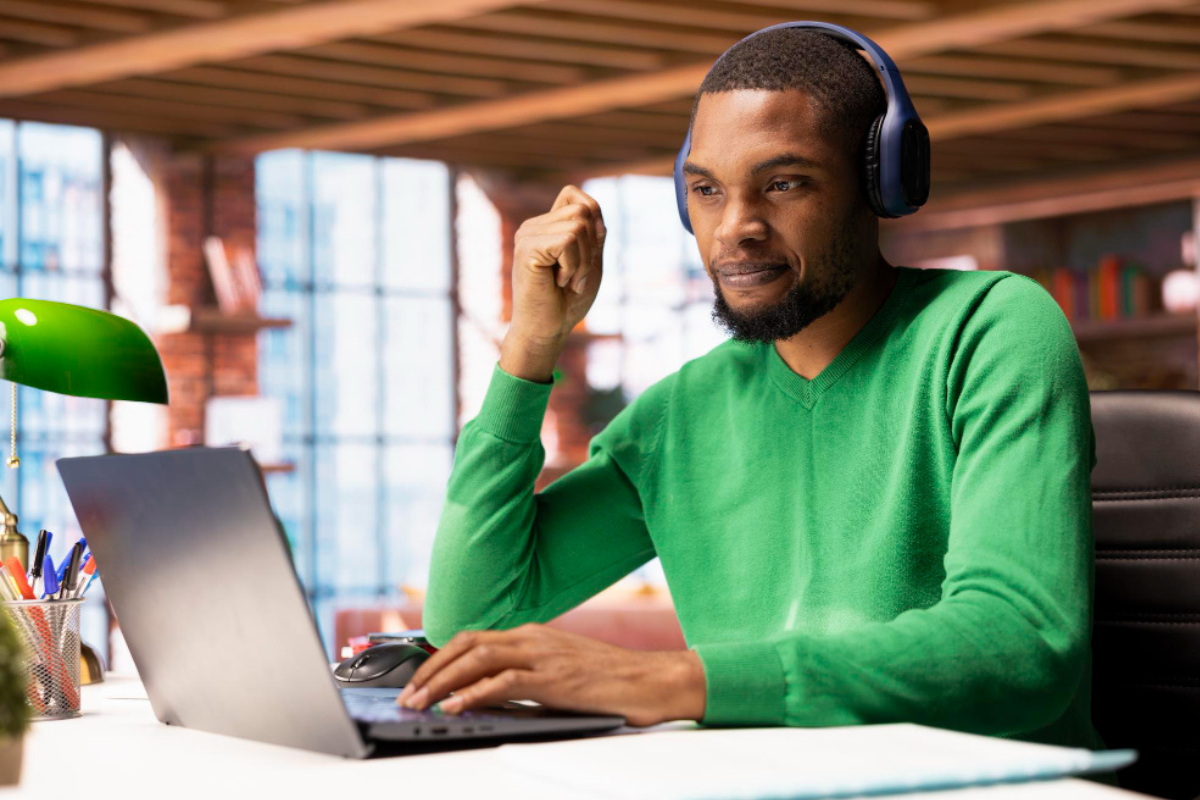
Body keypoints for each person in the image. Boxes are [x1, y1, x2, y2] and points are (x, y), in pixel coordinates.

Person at [398, 27, 1104, 754]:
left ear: (880, 181)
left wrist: (677, 682)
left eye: (783, 183)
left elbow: (1021, 646)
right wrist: (530, 345)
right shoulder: (683, 413)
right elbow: (469, 615)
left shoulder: (990, 328)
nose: (734, 228)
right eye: (706, 190)